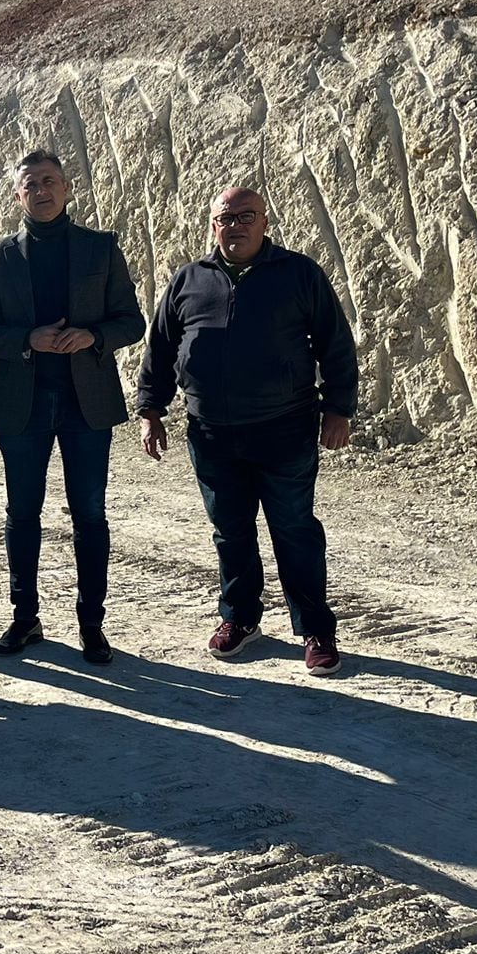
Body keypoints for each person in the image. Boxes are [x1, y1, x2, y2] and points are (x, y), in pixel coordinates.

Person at [135, 186, 359, 676]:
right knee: (230, 531)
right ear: (212, 225)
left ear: (264, 222)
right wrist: (151, 409)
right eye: (225, 217)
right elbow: (162, 348)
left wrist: (338, 409)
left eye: (246, 216)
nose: (235, 225)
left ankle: (316, 628)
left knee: (295, 530)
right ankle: (240, 618)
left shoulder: (298, 274)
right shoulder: (189, 280)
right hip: (212, 433)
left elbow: (335, 344)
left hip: (285, 428)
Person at [0, 149, 144, 663]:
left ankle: (92, 625)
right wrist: (29, 340)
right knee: (22, 513)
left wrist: (91, 335)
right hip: (21, 404)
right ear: (17, 194)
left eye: (50, 182)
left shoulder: (100, 248)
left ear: (67, 188)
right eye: (30, 185)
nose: (41, 191)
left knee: (89, 514)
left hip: (85, 404)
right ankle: (24, 620)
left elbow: (131, 321)